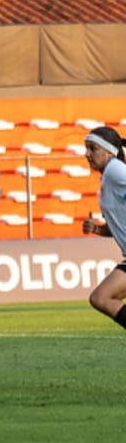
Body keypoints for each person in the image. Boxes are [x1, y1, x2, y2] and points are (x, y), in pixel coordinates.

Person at [80, 127, 126, 333]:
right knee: (101, 298)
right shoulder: (107, 178)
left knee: (102, 297)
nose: (87, 154)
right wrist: (98, 229)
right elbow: (116, 226)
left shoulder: (115, 169)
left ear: (108, 151)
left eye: (92, 148)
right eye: (86, 148)